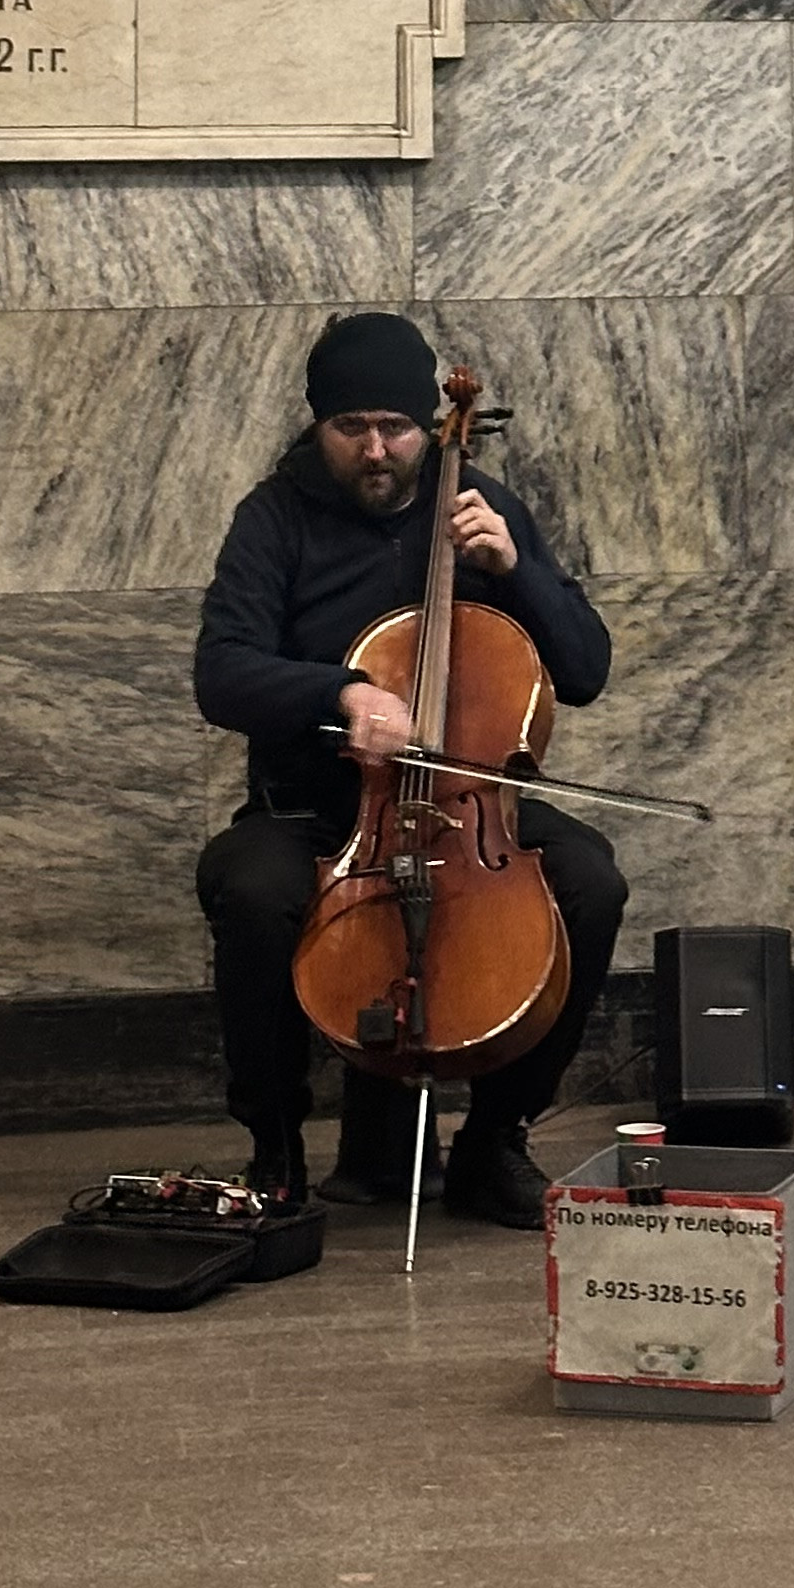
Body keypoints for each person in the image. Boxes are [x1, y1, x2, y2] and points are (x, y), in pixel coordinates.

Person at [192, 309, 626, 1227]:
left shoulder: (480, 506)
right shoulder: (274, 519)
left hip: (473, 808)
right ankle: (274, 1151)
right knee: (253, 892)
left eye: (395, 427)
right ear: (320, 426)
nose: (377, 450)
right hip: (317, 807)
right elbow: (220, 672)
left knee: (591, 883)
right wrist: (344, 692)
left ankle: (496, 1141)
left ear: (431, 425)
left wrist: (518, 570)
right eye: (351, 428)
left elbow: (586, 670)